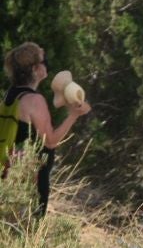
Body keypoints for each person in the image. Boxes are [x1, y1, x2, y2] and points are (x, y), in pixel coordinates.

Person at [2, 42, 92, 215]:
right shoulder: (34, 100)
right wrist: (73, 115)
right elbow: (50, 141)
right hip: (30, 180)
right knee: (28, 231)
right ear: (36, 69)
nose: (47, 65)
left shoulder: (11, 95)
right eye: (44, 62)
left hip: (9, 176)